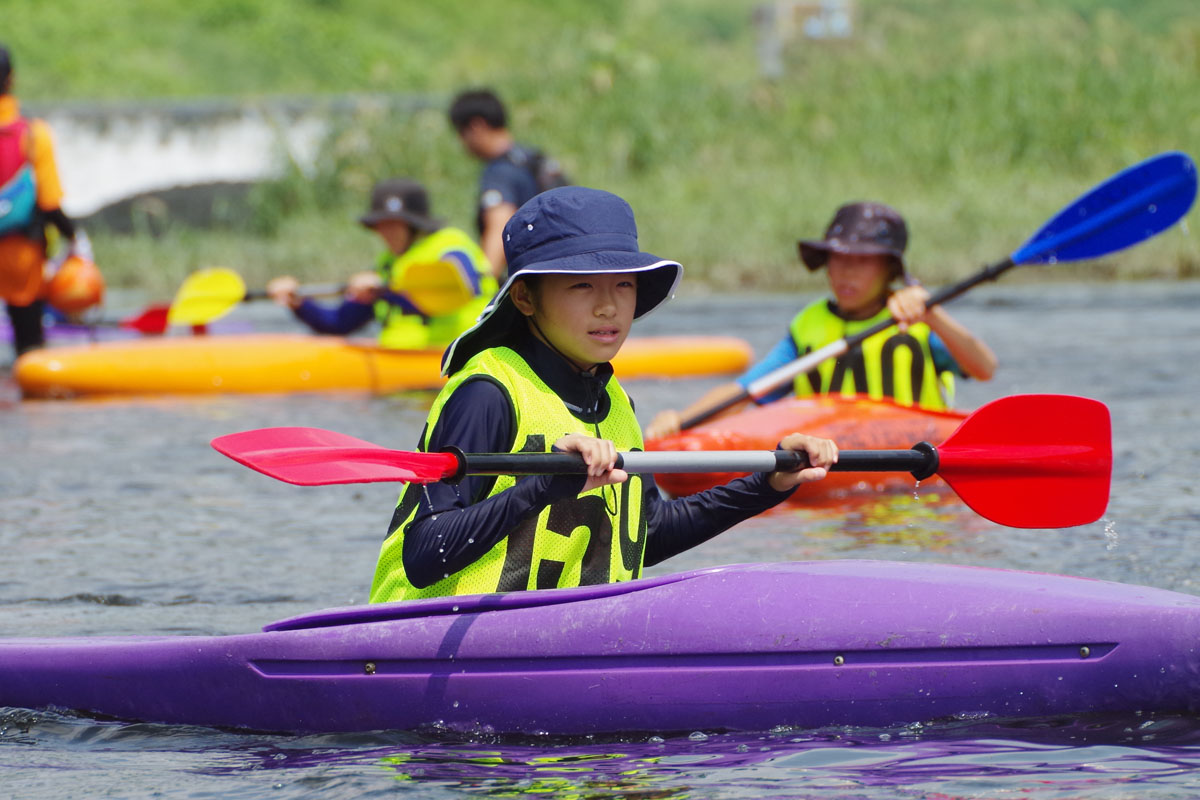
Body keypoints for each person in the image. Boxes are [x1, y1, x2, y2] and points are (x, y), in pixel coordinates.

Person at [369, 186, 838, 603]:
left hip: (547, 651)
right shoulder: (487, 394)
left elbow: (649, 534)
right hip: (415, 651)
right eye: (581, 285)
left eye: (624, 284)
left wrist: (772, 481)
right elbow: (426, 553)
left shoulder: (616, 405)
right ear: (525, 298)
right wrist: (544, 486)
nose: (608, 305)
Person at [646, 201, 997, 439]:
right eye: (837, 259)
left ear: (889, 268)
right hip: (831, 454)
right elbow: (746, 391)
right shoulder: (809, 326)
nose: (845, 272)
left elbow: (984, 368)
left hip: (912, 449)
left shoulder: (920, 318)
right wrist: (680, 421)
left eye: (860, 261)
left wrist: (934, 315)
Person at [267, 178, 496, 350]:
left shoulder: (451, 245)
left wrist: (385, 289)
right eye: (381, 224)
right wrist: (299, 304)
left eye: (395, 224)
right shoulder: (386, 265)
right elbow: (338, 323)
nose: (387, 232)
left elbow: (466, 285)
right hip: (399, 365)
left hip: (455, 357)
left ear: (414, 226)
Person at [0, 43, 89, 357]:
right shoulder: (34, 134)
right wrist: (74, 238)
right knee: (30, 350)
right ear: (11, 79)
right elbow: (50, 203)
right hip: (20, 257)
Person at [448, 88, 569, 280]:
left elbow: (500, 226)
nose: (463, 144)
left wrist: (483, 282)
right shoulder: (534, 159)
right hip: (564, 270)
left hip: (532, 279)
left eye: (461, 134)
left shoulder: (500, 172)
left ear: (476, 126)